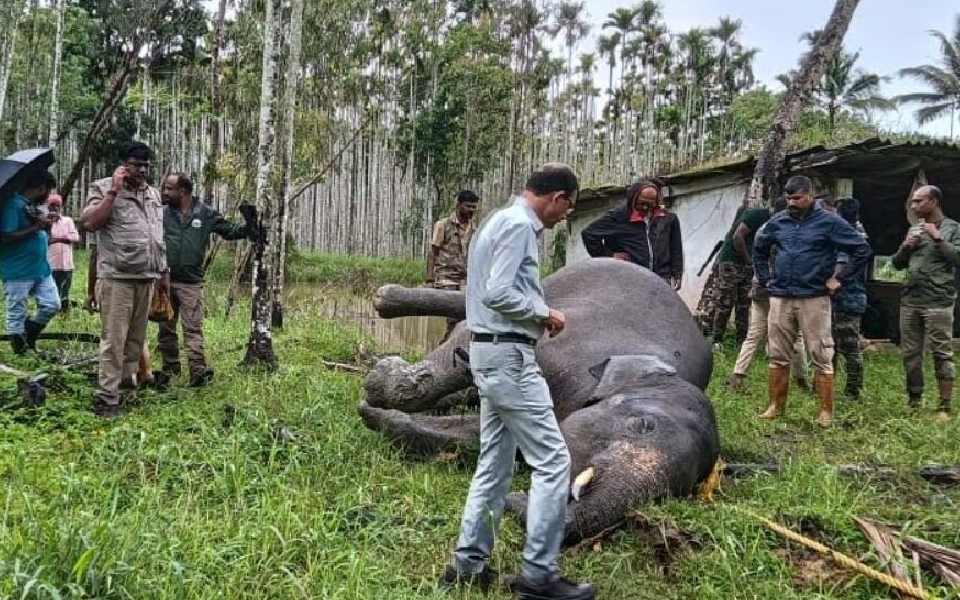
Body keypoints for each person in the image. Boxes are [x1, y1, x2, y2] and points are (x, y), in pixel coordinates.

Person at [441, 163, 593, 600]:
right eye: (567, 208)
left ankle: (469, 565)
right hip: (508, 358)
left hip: (491, 353)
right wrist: (545, 312)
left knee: (495, 463)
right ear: (558, 198)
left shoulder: (498, 221)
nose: (564, 217)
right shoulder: (519, 226)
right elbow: (498, 292)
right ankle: (539, 575)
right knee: (553, 461)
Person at [753, 175, 871, 427]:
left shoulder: (830, 221)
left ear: (810, 195)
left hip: (814, 297)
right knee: (777, 353)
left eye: (797, 198)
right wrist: (765, 279)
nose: (791, 203)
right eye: (788, 198)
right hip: (781, 296)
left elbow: (861, 249)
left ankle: (825, 411)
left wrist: (839, 278)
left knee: (821, 353)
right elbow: (759, 248)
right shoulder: (778, 221)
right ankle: (775, 406)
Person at [81, 142, 167, 418]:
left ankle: (126, 387)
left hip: (147, 277)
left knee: (135, 340)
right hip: (117, 278)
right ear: (123, 165)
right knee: (114, 340)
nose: (142, 170)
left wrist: (163, 273)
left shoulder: (152, 194)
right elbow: (90, 223)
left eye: (146, 166)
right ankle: (107, 397)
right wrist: (113, 192)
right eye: (136, 165)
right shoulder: (102, 188)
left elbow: (157, 236)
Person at [158, 173, 250, 386]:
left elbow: (229, 231)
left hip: (190, 283)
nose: (165, 192)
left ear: (183, 191)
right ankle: (170, 369)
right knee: (165, 329)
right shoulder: (161, 214)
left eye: (169, 188)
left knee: (192, 328)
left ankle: (198, 372)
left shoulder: (205, 213)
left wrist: (248, 228)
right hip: (164, 280)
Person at [891, 185, 960, 421]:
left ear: (934, 202)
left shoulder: (953, 228)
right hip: (911, 300)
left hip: (938, 301)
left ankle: (944, 406)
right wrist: (906, 247)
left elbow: (957, 258)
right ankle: (914, 400)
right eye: (913, 201)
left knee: (941, 353)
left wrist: (938, 238)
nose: (913, 206)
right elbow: (897, 264)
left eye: (918, 201)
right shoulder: (914, 229)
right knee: (910, 354)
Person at [726, 197, 809, 391]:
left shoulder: (763, 229)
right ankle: (802, 379)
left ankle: (737, 375)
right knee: (796, 336)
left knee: (754, 335)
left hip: (760, 289)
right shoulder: (789, 231)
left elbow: (756, 257)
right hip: (781, 290)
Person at [581, 178, 683, 289]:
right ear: (633, 199)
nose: (645, 207)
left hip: (661, 280)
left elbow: (675, 248)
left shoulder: (667, 218)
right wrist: (609, 256)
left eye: (650, 204)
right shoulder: (619, 217)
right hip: (629, 280)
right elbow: (589, 234)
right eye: (642, 203)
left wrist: (677, 273)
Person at [0, 171, 61, 353]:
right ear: (41, 188)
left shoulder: (29, 205)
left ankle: (29, 334)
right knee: (17, 311)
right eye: (48, 191)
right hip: (18, 269)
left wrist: (45, 224)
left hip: (41, 268)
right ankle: (20, 350)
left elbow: (38, 230)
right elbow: (5, 236)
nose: (48, 196)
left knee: (52, 304)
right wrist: (36, 227)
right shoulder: (12, 205)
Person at [709, 205, 770, 344]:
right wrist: (749, 261)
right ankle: (717, 341)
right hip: (731, 261)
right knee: (726, 301)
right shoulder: (757, 214)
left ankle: (741, 341)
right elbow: (737, 237)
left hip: (746, 262)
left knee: (744, 303)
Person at [427, 190, 479, 340]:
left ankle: (449, 344)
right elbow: (433, 253)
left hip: (465, 279)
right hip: (446, 277)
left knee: (467, 315)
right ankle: (448, 345)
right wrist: (429, 279)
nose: (471, 210)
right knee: (455, 313)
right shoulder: (443, 225)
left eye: (474, 207)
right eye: (468, 206)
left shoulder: (474, 228)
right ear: (458, 205)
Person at [831, 198, 870, 401]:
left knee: (848, 347)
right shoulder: (859, 233)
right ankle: (828, 385)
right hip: (853, 297)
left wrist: (832, 281)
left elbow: (841, 265)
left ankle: (853, 390)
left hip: (845, 298)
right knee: (839, 346)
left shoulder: (847, 239)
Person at [46, 193, 80, 313]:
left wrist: (57, 239)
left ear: (61, 207)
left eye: (57, 205)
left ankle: (64, 313)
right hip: (51, 263)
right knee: (52, 291)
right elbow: (46, 240)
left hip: (66, 264)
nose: (55, 208)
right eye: (52, 205)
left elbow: (75, 237)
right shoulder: (45, 222)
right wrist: (64, 238)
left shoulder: (68, 221)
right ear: (48, 206)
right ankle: (52, 312)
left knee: (65, 291)